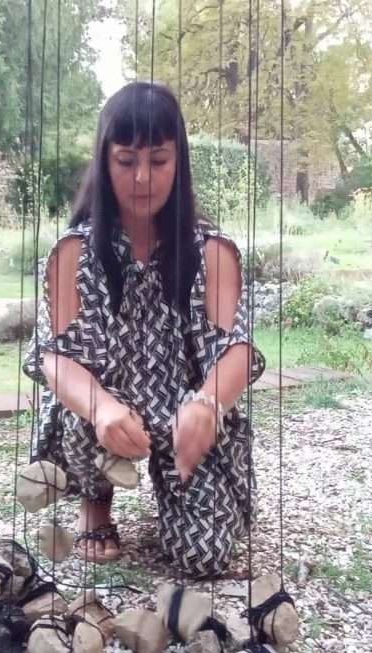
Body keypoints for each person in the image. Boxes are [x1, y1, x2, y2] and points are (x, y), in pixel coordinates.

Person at [23, 81, 264, 578]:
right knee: (81, 416)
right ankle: (95, 501)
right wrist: (102, 408)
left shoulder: (212, 250)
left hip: (186, 414)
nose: (141, 177)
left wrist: (207, 404)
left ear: (179, 162)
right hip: (108, 411)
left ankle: (179, 496)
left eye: (158, 160)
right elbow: (54, 356)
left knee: (205, 556)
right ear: (104, 161)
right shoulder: (73, 252)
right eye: (126, 160)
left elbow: (236, 348)